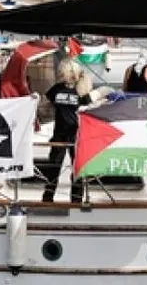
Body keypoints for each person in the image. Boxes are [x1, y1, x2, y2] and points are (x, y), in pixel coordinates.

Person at [43, 60, 92, 203]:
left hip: (77, 134)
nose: (60, 73)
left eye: (63, 71)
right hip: (59, 133)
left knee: (77, 169)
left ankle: (76, 200)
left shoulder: (81, 89)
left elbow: (88, 106)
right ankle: (47, 198)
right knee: (53, 167)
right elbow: (46, 104)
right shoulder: (56, 89)